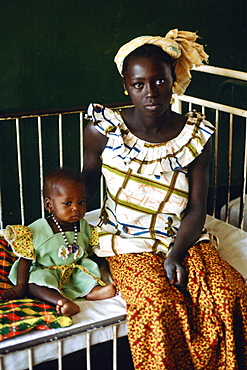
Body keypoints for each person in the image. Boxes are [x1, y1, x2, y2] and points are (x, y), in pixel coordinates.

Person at [82, 29, 247, 369]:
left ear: (174, 80)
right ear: (126, 86)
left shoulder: (195, 135)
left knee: (231, 293)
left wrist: (177, 253)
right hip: (126, 238)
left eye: (160, 81)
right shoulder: (103, 130)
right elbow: (84, 187)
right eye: (139, 84)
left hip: (183, 235)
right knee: (157, 305)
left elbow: (198, 206)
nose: (150, 92)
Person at [0, 168, 117, 316]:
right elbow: (25, 260)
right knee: (34, 281)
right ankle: (61, 302)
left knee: (87, 271)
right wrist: (20, 286)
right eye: (68, 203)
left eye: (81, 202)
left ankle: (93, 291)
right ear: (49, 205)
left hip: (74, 270)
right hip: (48, 271)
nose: (76, 208)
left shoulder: (84, 227)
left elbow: (92, 249)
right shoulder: (37, 231)